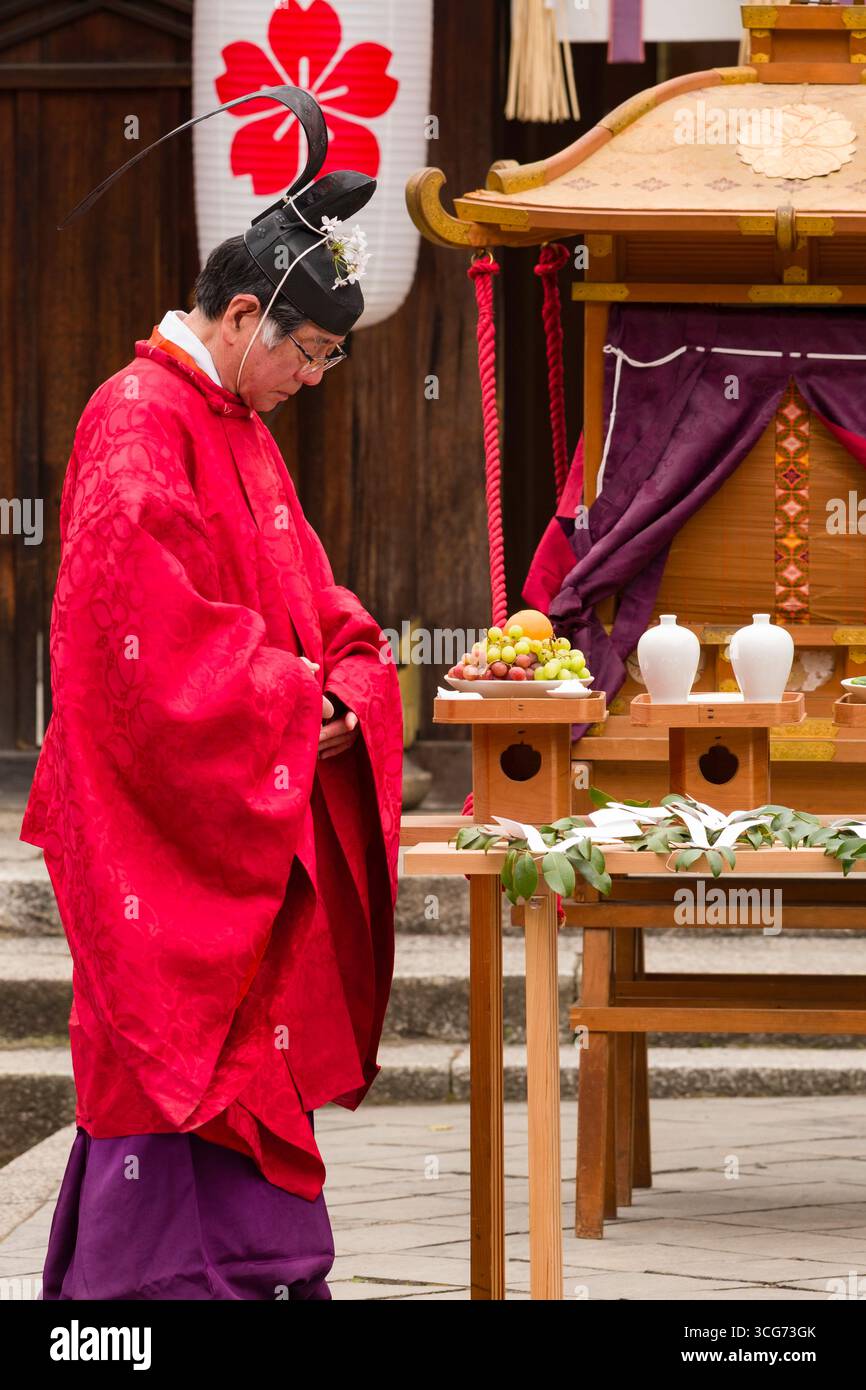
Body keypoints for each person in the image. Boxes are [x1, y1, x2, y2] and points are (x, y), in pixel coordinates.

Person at [21, 86, 403, 1300]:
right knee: (170, 1074)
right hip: (161, 837)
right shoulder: (136, 421)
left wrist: (350, 672)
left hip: (243, 815)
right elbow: (145, 646)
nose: (313, 377)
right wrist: (304, 702)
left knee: (241, 1075)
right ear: (244, 314)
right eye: (308, 351)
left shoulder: (230, 421)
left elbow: (307, 594)